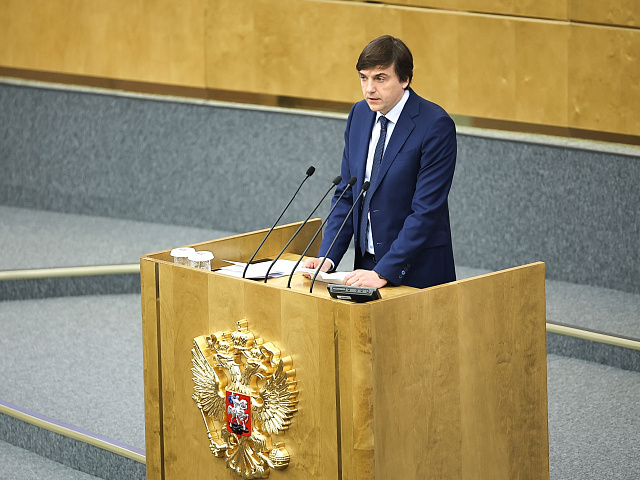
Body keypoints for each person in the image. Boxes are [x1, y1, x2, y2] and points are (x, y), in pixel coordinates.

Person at [303, 35, 457, 289]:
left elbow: (426, 211)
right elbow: (347, 194)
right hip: (366, 266)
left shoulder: (435, 125)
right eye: (364, 78)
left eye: (380, 78)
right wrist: (327, 257)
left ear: (405, 79)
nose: (369, 89)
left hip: (417, 270)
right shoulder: (359, 114)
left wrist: (385, 271)